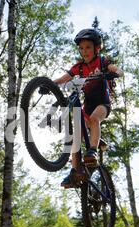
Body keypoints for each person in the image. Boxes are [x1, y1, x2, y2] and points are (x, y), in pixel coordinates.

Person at [52, 28, 123, 188]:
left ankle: (92, 150)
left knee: (94, 119)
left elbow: (114, 68)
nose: (85, 51)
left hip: (103, 103)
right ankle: (75, 171)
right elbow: (64, 78)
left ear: (96, 48)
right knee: (76, 136)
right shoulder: (80, 67)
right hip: (88, 105)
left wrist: (117, 72)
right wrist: (51, 84)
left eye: (88, 47)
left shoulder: (102, 62)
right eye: (81, 48)